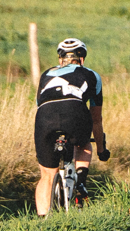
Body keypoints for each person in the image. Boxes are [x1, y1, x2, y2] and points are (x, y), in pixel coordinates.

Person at [33, 35, 107, 214]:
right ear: (81, 59)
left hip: (44, 116)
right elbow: (96, 119)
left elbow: (40, 103)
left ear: (60, 59)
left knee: (47, 175)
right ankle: (81, 181)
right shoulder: (92, 75)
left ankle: (43, 220)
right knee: (83, 143)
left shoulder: (46, 74)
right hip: (75, 112)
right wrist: (102, 149)